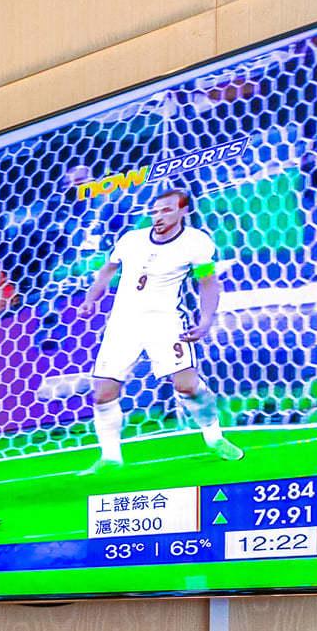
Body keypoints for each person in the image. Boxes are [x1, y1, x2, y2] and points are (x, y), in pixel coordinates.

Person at [73, 186, 242, 472]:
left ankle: (215, 437)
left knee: (187, 387)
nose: (159, 216)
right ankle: (111, 457)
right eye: (154, 211)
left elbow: (207, 282)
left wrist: (205, 320)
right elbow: (108, 270)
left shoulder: (196, 243)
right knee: (102, 393)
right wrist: (91, 298)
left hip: (165, 323)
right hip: (123, 324)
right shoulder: (131, 240)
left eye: (167, 210)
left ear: (183, 211)